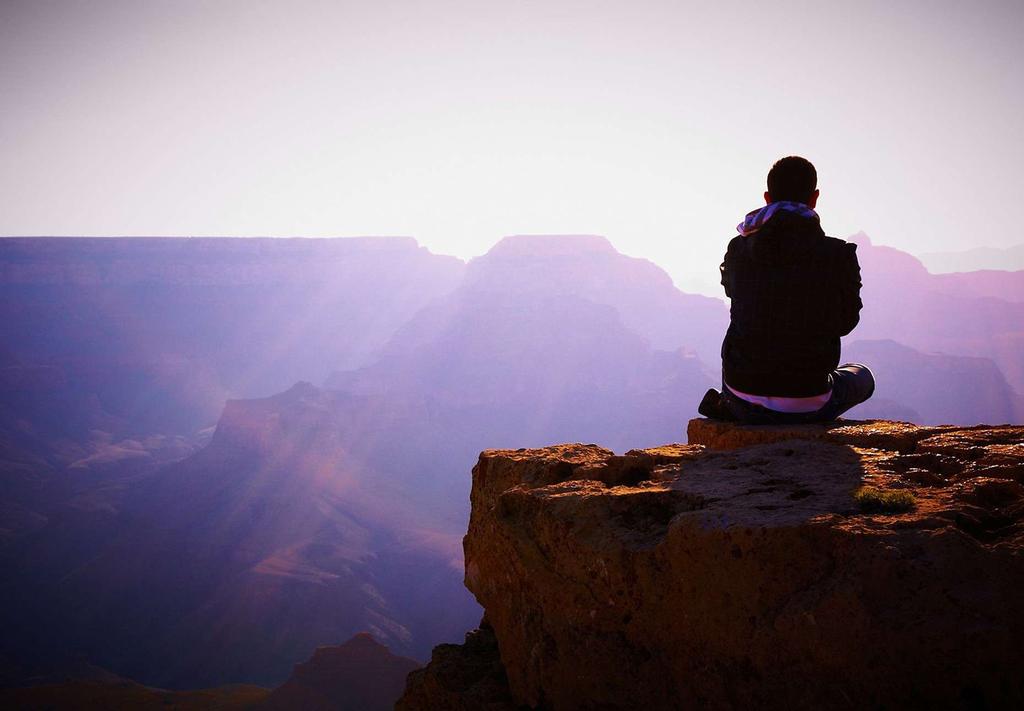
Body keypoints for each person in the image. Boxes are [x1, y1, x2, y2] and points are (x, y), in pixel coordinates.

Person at [698, 156, 874, 424]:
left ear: (767, 198)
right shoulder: (839, 255)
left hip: (742, 394)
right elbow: (846, 321)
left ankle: (731, 405)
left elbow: (735, 295)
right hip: (808, 398)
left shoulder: (739, 248)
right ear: (814, 198)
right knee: (862, 376)